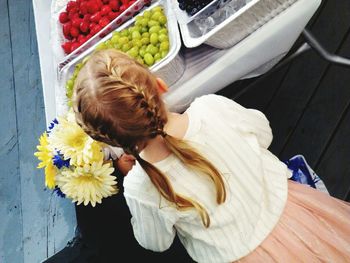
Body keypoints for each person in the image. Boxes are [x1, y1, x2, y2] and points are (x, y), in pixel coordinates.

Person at [72, 49, 350, 263]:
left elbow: (156, 242)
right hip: (294, 217)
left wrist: (132, 177)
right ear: (160, 86)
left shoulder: (141, 187)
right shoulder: (211, 108)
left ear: (110, 141)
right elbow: (263, 133)